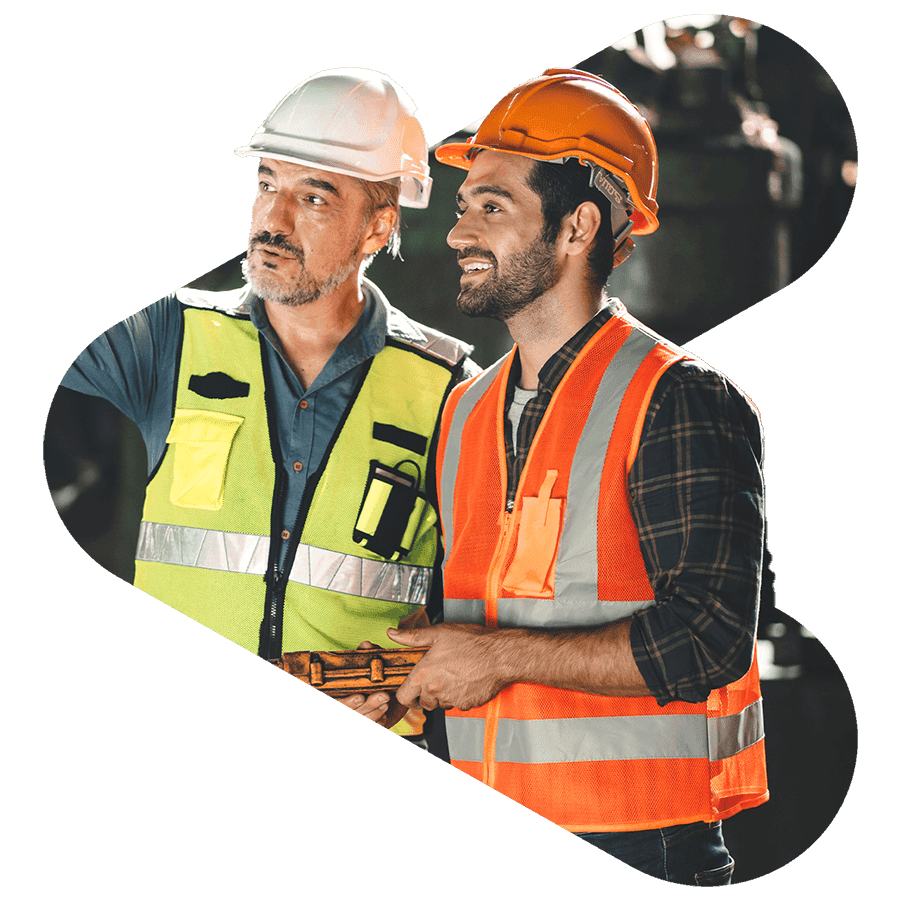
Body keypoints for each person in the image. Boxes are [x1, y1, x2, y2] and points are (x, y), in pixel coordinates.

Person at [389, 69, 768, 883]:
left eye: (492, 206)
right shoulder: (463, 413)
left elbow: (708, 638)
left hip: (635, 840)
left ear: (575, 228)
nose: (459, 233)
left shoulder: (677, 400)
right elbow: (473, 619)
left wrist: (496, 658)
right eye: (463, 207)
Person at [56, 68, 478, 736]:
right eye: (266, 186)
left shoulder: (451, 386)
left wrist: (406, 682)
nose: (271, 222)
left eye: (312, 199)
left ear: (376, 229)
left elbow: (491, 599)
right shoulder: (169, 336)